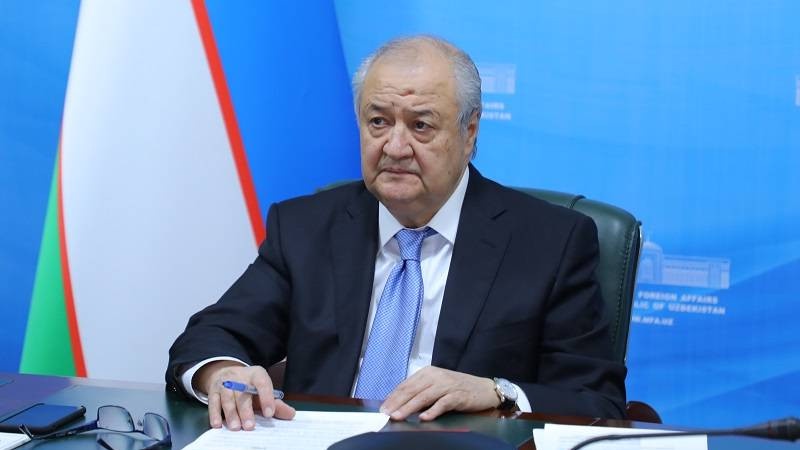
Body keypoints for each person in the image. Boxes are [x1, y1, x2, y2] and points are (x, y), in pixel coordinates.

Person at [166, 35, 626, 431]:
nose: (395, 146)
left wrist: (497, 392)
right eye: (378, 122)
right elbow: (211, 335)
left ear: (469, 132)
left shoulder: (550, 242)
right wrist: (222, 373)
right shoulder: (306, 227)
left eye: (420, 125)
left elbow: (596, 403)